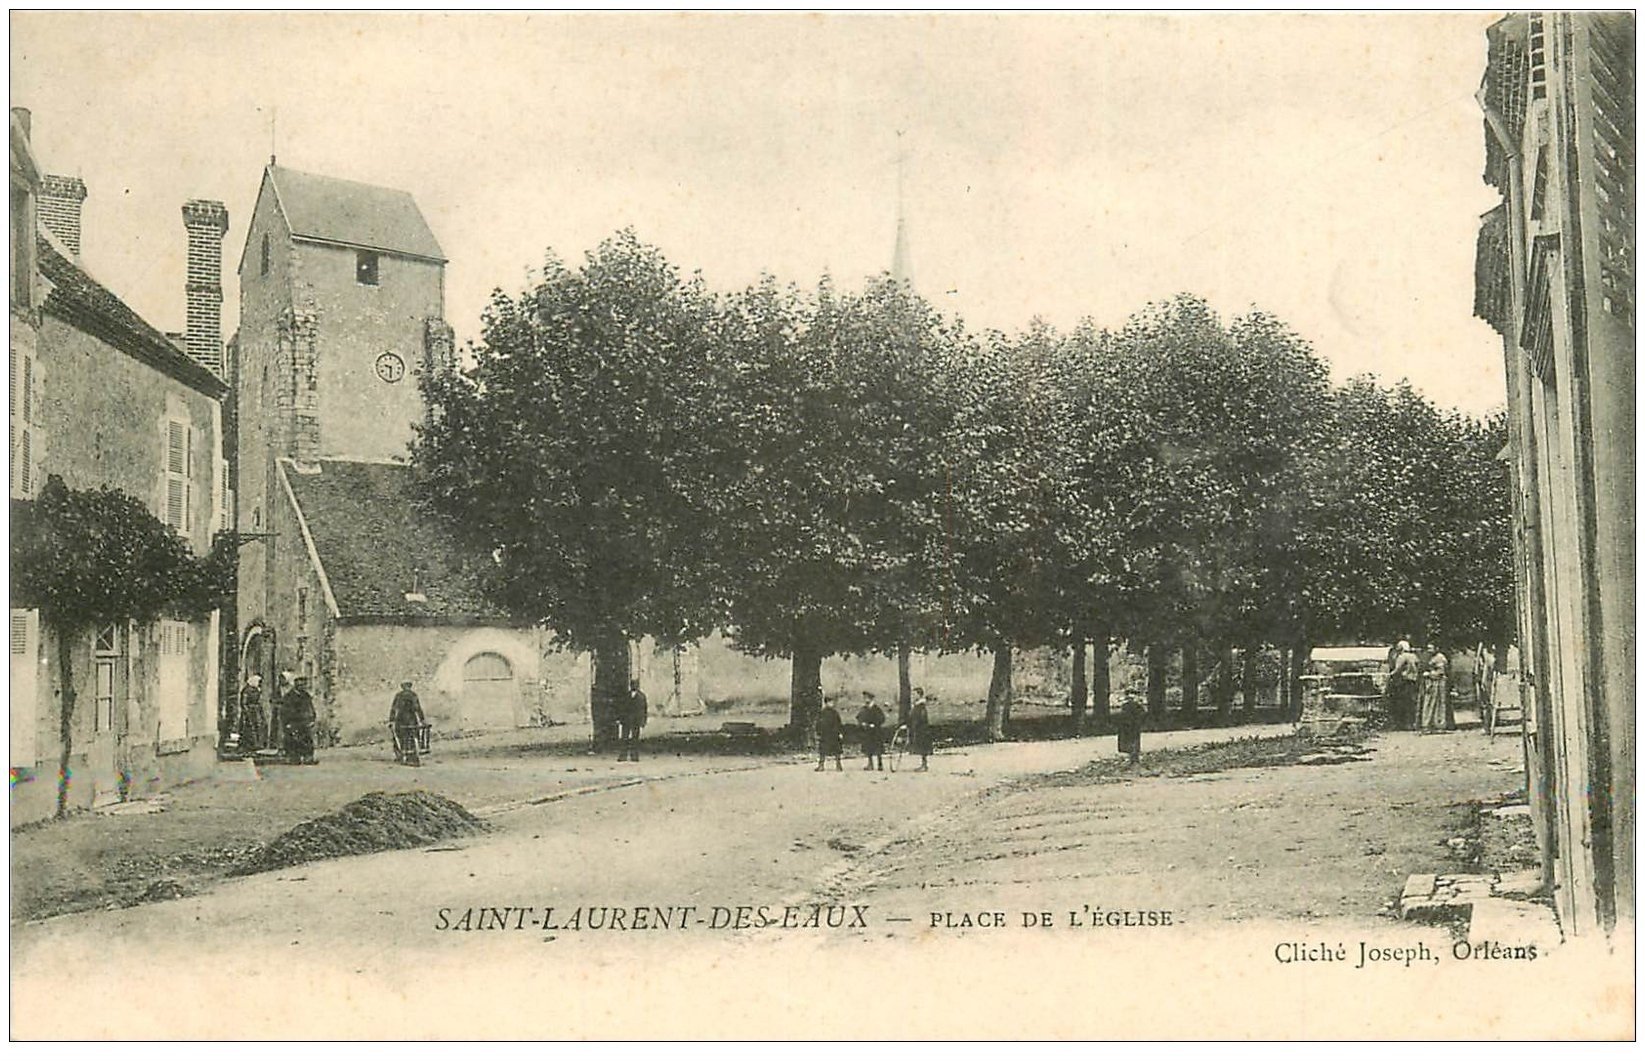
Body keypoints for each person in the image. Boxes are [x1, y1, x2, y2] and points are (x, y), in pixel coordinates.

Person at [390, 681, 426, 766]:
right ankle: (411, 757)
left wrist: (391, 719)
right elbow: (418, 708)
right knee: (411, 737)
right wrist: (422, 719)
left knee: (402, 737)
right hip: (411, 719)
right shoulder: (413, 695)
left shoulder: (399, 696)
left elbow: (394, 708)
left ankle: (404, 756)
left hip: (401, 719)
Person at [283, 676, 318, 764]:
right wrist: (287, 722)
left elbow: (311, 707)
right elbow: (285, 710)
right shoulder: (289, 696)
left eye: (303, 685)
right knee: (293, 740)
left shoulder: (306, 695)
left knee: (307, 740)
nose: (302, 686)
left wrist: (313, 718)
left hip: (304, 721)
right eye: (300, 685)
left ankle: (308, 758)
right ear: (295, 685)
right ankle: (294, 758)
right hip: (293, 721)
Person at [1386, 641, 1420, 730]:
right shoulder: (1414, 656)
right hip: (1413, 681)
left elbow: (1397, 669)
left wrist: (1389, 675)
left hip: (1404, 682)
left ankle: (1402, 723)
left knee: (1402, 702)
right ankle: (1412, 723)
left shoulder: (1402, 657)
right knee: (1411, 702)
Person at [1419, 643, 1451, 732]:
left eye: (1431, 648)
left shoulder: (1440, 658)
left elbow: (1441, 672)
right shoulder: (1432, 657)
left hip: (1438, 683)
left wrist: (1429, 674)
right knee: (1430, 702)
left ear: (1436, 648)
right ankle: (1428, 725)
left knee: (1439, 703)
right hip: (1432, 683)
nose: (1429, 650)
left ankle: (1439, 725)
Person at [617, 679, 648, 762]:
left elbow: (644, 710)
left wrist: (643, 721)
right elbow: (622, 708)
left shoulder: (641, 697)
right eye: (632, 684)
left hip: (636, 721)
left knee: (635, 739)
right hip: (626, 721)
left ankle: (634, 756)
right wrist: (620, 719)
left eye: (635, 685)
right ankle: (623, 756)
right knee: (624, 738)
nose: (634, 686)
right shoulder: (626, 696)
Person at [857, 692, 887, 771]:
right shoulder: (864, 709)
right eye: (864, 698)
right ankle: (870, 764)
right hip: (867, 732)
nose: (865, 700)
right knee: (868, 747)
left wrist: (874, 724)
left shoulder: (876, 709)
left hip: (876, 731)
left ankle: (880, 764)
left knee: (878, 748)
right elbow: (859, 717)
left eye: (867, 698)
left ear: (871, 699)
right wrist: (862, 723)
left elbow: (882, 719)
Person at [236, 674, 266, 755]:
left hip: (256, 712)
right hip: (249, 712)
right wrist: (247, 713)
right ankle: (245, 748)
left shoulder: (257, 690)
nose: (260, 684)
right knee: (248, 730)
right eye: (259, 682)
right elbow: (244, 703)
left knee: (257, 728)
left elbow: (259, 701)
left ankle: (254, 747)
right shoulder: (246, 690)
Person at [907, 687, 933, 772]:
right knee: (921, 747)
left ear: (919, 695)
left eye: (914, 694)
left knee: (923, 747)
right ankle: (923, 764)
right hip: (918, 728)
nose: (913, 696)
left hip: (922, 729)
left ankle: (924, 765)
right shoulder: (916, 705)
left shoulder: (921, 706)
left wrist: (915, 725)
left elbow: (921, 717)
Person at [816, 697, 844, 772]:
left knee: (837, 751)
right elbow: (819, 723)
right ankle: (821, 765)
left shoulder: (835, 713)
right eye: (830, 702)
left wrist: (840, 732)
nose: (832, 704)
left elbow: (839, 724)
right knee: (822, 750)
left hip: (834, 734)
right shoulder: (822, 713)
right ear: (826, 703)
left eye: (832, 702)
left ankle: (839, 765)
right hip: (825, 734)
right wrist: (818, 732)